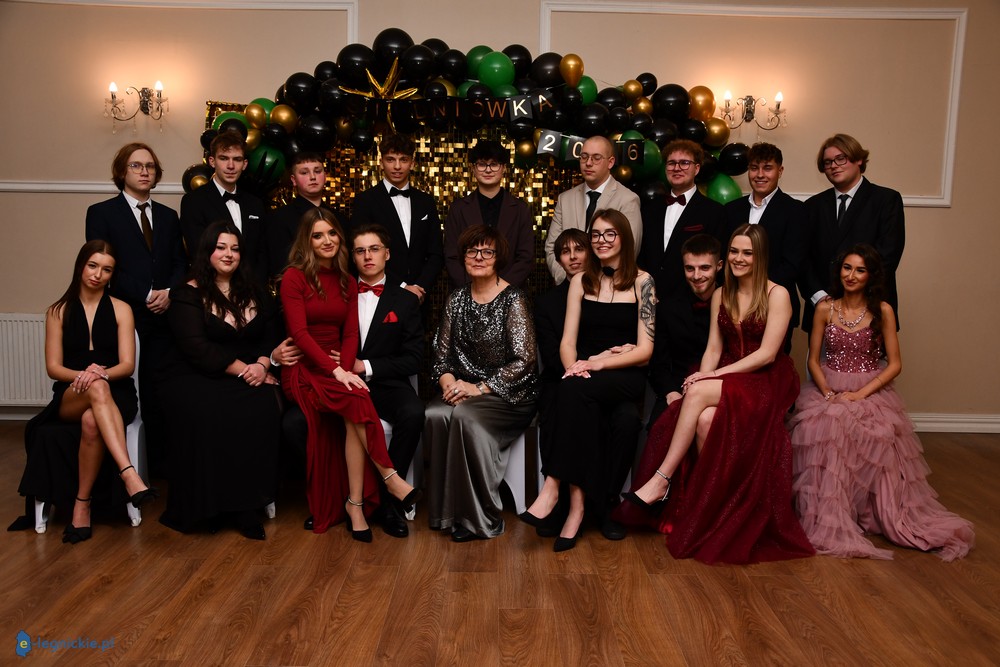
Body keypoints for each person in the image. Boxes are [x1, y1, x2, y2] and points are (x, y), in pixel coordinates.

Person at [621, 224, 814, 564]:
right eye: (734, 251)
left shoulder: (778, 294)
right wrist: (701, 374)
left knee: (697, 395)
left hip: (765, 379)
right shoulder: (721, 294)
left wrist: (710, 377)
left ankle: (661, 479)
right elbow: (713, 347)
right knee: (705, 419)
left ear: (759, 256)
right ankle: (714, 509)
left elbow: (767, 354)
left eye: (747, 252)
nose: (739, 258)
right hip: (727, 373)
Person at [788, 244, 974, 561]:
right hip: (828, 387)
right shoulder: (825, 308)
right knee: (824, 427)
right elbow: (814, 360)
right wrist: (828, 393)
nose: (851, 275)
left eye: (860, 270)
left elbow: (895, 364)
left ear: (871, 276)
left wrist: (859, 395)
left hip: (869, 389)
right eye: (847, 268)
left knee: (877, 433)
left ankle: (871, 513)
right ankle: (831, 515)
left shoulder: (883, 310)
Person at [280, 208, 419, 539]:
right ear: (307, 240)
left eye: (332, 233)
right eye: (317, 235)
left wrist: (346, 369)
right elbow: (299, 333)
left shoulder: (347, 280)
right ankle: (390, 480)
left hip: (345, 371)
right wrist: (338, 371)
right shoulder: (294, 277)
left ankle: (357, 503)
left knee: (362, 405)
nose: (327, 240)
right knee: (354, 402)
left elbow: (350, 334)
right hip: (308, 369)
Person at [522, 210, 655, 551]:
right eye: (595, 234)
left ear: (624, 237)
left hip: (624, 375)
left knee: (591, 402)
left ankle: (555, 486)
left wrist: (596, 364)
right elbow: (567, 343)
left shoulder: (643, 281)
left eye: (610, 234)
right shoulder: (581, 280)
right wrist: (575, 369)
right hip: (585, 375)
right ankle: (576, 508)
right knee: (574, 394)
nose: (601, 241)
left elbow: (644, 352)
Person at [16, 241, 155, 543]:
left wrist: (99, 374)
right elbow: (53, 368)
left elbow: (127, 365)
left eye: (106, 270)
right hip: (71, 394)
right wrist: (86, 376)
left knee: (93, 416)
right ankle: (129, 474)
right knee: (96, 387)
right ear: (81, 265)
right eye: (93, 266)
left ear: (112, 274)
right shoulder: (57, 311)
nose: (97, 274)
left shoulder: (122, 309)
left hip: (117, 393)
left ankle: (82, 505)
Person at [157, 222, 282, 540]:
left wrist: (262, 364)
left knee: (263, 407)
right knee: (210, 411)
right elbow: (196, 348)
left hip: (248, 372)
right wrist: (246, 370)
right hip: (194, 374)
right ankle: (210, 506)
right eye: (221, 247)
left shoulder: (254, 289)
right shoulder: (187, 293)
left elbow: (270, 334)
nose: (229, 254)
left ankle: (247, 506)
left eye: (235, 248)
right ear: (207, 252)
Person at [425, 224, 538, 542]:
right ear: (463, 257)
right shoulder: (456, 299)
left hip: (510, 394)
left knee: (465, 416)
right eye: (472, 251)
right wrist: (450, 385)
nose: (478, 257)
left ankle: (479, 518)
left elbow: (524, 361)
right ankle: (445, 513)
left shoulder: (513, 299)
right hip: (464, 389)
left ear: (498, 258)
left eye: (487, 251)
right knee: (434, 414)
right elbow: (441, 357)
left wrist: (478, 388)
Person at [85, 142, 186, 477]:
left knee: (163, 389)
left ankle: (160, 465)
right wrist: (146, 294)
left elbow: (180, 263)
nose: (145, 172)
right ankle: (127, 466)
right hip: (124, 315)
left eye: (150, 166)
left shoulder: (169, 216)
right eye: (136, 166)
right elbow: (104, 265)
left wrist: (168, 293)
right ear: (121, 171)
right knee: (131, 389)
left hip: (166, 315)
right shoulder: (101, 213)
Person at [338, 223, 425, 538]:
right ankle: (335, 499)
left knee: (413, 412)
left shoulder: (405, 300)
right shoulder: (339, 294)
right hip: (342, 384)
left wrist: (367, 366)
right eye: (360, 251)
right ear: (353, 257)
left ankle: (390, 503)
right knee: (295, 423)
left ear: (387, 254)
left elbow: (414, 358)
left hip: (385, 383)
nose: (367, 256)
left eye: (374, 249)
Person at [802, 133, 905, 332]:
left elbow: (888, 255)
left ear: (859, 159)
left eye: (841, 158)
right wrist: (820, 297)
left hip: (871, 310)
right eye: (827, 162)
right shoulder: (812, 206)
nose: (834, 166)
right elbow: (804, 259)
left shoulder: (886, 200)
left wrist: (856, 302)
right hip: (823, 311)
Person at [724, 142, 806, 350]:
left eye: (767, 168)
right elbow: (726, 257)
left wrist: (753, 291)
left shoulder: (795, 211)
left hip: (774, 304)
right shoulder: (731, 210)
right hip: (734, 304)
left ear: (780, 170)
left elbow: (793, 264)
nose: (760, 174)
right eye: (754, 168)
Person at [349, 134, 444, 305]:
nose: (397, 166)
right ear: (381, 162)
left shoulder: (426, 202)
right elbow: (361, 252)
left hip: (420, 298)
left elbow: (436, 253)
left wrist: (420, 287)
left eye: (404, 160)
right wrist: (402, 286)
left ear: (412, 163)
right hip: (381, 295)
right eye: (391, 160)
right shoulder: (365, 201)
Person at [646, 234, 722, 426]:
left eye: (704, 268)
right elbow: (659, 364)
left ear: (719, 266)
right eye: (690, 268)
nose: (696, 276)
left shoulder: (733, 305)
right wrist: (670, 392)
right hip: (678, 386)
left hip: (721, 386)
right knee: (658, 426)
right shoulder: (668, 308)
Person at [544, 135, 641, 284]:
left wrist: (597, 286)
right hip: (568, 286)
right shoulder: (565, 199)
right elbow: (552, 248)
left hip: (608, 289)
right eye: (584, 157)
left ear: (610, 162)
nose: (588, 163)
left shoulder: (628, 199)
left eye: (596, 158)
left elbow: (629, 251)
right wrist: (570, 281)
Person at [639, 139, 727, 301]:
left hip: (690, 303)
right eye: (671, 163)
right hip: (650, 301)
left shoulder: (714, 212)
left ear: (697, 168)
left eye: (684, 163)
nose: (677, 168)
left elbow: (718, 262)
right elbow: (642, 254)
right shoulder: (650, 209)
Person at [443, 140, 534, 288]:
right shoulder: (458, 208)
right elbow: (452, 256)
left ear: (503, 168)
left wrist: (501, 289)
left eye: (494, 164)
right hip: (467, 292)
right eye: (482, 164)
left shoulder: (520, 209)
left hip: (508, 292)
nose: (488, 170)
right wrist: (472, 289)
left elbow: (526, 257)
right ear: (473, 168)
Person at [180, 131, 267, 285]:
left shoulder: (255, 204)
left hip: (251, 287)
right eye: (224, 158)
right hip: (211, 287)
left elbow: (262, 253)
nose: (231, 166)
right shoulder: (193, 201)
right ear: (212, 161)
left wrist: (254, 288)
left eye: (237, 159)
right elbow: (198, 252)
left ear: (245, 164)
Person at [266, 152, 342, 280]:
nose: (312, 177)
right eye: (304, 173)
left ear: (325, 176)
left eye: (317, 171)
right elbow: (280, 268)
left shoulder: (339, 218)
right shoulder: (279, 219)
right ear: (293, 180)